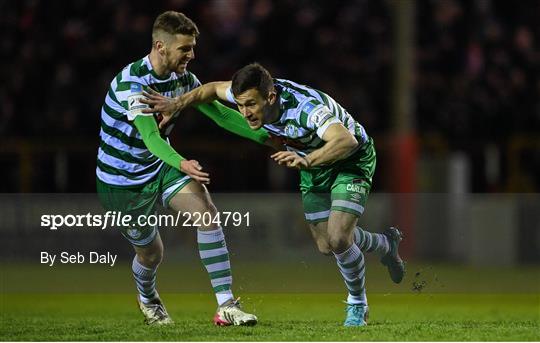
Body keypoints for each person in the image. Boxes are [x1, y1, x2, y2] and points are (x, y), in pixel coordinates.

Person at [142, 63, 406, 327]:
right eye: (241, 105)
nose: (245, 113)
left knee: (338, 238)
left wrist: (308, 160)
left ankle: (357, 304)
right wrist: (178, 103)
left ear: (271, 97)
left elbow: (346, 140)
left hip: (350, 160)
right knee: (327, 245)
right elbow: (209, 90)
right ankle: (384, 244)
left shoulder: (305, 109)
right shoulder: (248, 94)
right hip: (313, 166)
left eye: (251, 105)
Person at [96, 12, 270, 326]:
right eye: (185, 49)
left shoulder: (183, 80)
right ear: (160, 47)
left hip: (159, 166)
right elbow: (150, 136)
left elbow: (221, 115)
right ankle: (148, 298)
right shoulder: (131, 83)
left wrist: (269, 138)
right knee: (151, 254)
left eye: (192, 47)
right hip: (122, 182)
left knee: (207, 213)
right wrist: (182, 162)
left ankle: (226, 305)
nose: (192, 55)